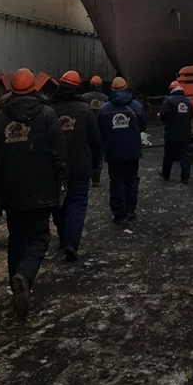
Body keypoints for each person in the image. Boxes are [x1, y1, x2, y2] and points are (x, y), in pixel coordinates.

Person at [0, 67, 67, 320]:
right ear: (34, 88)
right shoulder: (47, 115)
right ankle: (25, 277)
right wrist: (61, 186)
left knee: (16, 239)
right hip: (41, 191)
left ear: (12, 89)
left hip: (11, 194)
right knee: (38, 239)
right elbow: (59, 156)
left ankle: (15, 285)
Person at [48, 69, 102, 261]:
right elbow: (95, 140)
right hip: (81, 165)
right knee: (77, 204)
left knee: (58, 202)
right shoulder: (85, 110)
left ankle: (63, 236)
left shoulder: (49, 110)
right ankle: (72, 243)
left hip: (55, 166)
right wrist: (95, 163)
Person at [97, 77, 146, 224]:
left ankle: (119, 213)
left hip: (113, 152)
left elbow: (100, 129)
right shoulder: (137, 107)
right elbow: (143, 126)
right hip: (132, 151)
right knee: (131, 180)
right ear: (127, 88)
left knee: (116, 181)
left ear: (112, 89)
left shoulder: (104, 110)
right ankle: (130, 209)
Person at [159, 80, 193, 183]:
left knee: (168, 155)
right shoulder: (188, 101)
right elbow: (191, 115)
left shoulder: (169, 101)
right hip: (185, 134)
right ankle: (185, 178)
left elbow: (163, 115)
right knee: (185, 156)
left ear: (171, 89)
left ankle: (166, 175)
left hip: (171, 134)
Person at [81, 75, 108, 185]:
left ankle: (86, 175)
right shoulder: (106, 98)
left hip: (86, 129)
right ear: (101, 86)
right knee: (99, 154)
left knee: (87, 152)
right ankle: (96, 179)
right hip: (100, 129)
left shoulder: (84, 97)